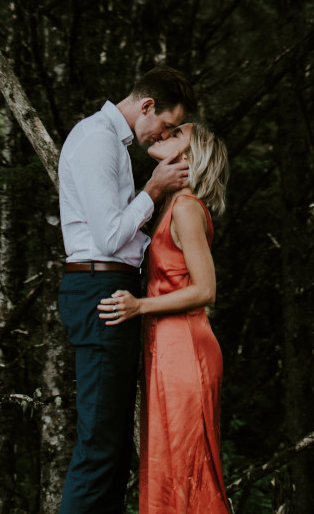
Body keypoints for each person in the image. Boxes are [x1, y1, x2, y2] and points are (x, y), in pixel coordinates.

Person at [58, 65, 198, 514]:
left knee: (114, 447)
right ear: (147, 106)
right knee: (100, 446)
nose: (163, 135)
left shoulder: (107, 141)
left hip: (108, 286)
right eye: (167, 125)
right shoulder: (98, 139)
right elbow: (109, 236)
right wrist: (154, 190)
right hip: (100, 288)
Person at [99, 121, 231, 514]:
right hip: (169, 348)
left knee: (186, 464)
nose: (162, 136)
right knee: (167, 463)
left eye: (176, 135)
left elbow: (205, 291)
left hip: (186, 349)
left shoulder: (187, 208)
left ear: (188, 158)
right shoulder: (172, 205)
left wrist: (139, 306)